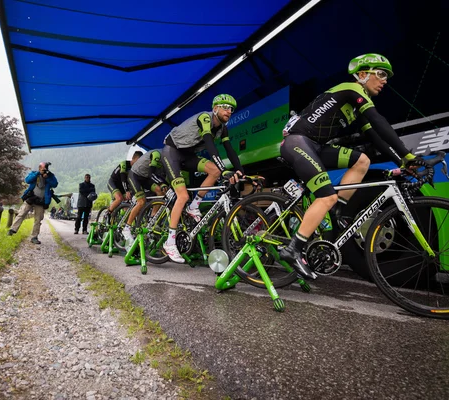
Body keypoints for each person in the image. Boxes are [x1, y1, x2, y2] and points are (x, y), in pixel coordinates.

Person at [278, 53, 419, 280]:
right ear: (362, 75)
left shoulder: (355, 106)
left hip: (315, 146)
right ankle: (293, 249)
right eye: (380, 74)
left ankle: (338, 210)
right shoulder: (352, 90)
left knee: (362, 160)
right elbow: (379, 121)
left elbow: (376, 137)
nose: (384, 81)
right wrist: (409, 155)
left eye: (386, 77)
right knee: (326, 196)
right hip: (298, 142)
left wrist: (402, 161)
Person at [161, 94, 245, 263]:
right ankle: (169, 243)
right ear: (215, 108)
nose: (229, 111)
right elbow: (209, 144)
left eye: (231, 109)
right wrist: (224, 170)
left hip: (188, 155)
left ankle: (194, 206)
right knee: (182, 195)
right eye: (225, 107)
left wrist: (241, 172)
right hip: (172, 153)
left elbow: (229, 150)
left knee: (213, 171)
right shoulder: (205, 118)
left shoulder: (223, 128)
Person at [122, 150, 168, 248]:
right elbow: (152, 174)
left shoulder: (167, 160)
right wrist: (162, 183)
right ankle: (127, 227)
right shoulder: (157, 154)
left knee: (160, 191)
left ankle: (152, 217)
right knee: (141, 201)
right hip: (135, 175)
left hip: (145, 177)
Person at [8, 161, 58, 244]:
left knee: (38, 219)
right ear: (39, 168)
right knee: (22, 213)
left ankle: (34, 237)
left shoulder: (50, 176)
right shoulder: (34, 173)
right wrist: (38, 174)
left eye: (45, 168)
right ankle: (12, 229)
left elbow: (55, 184)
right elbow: (27, 180)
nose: (44, 170)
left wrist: (47, 178)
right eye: (42, 168)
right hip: (31, 197)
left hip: (41, 200)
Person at [106, 151, 143, 216]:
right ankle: (107, 214)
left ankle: (124, 220)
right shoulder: (124, 164)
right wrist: (127, 191)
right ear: (133, 158)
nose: (138, 164)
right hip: (113, 183)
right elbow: (123, 178)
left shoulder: (135, 169)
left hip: (122, 186)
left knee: (128, 202)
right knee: (119, 198)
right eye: (137, 161)